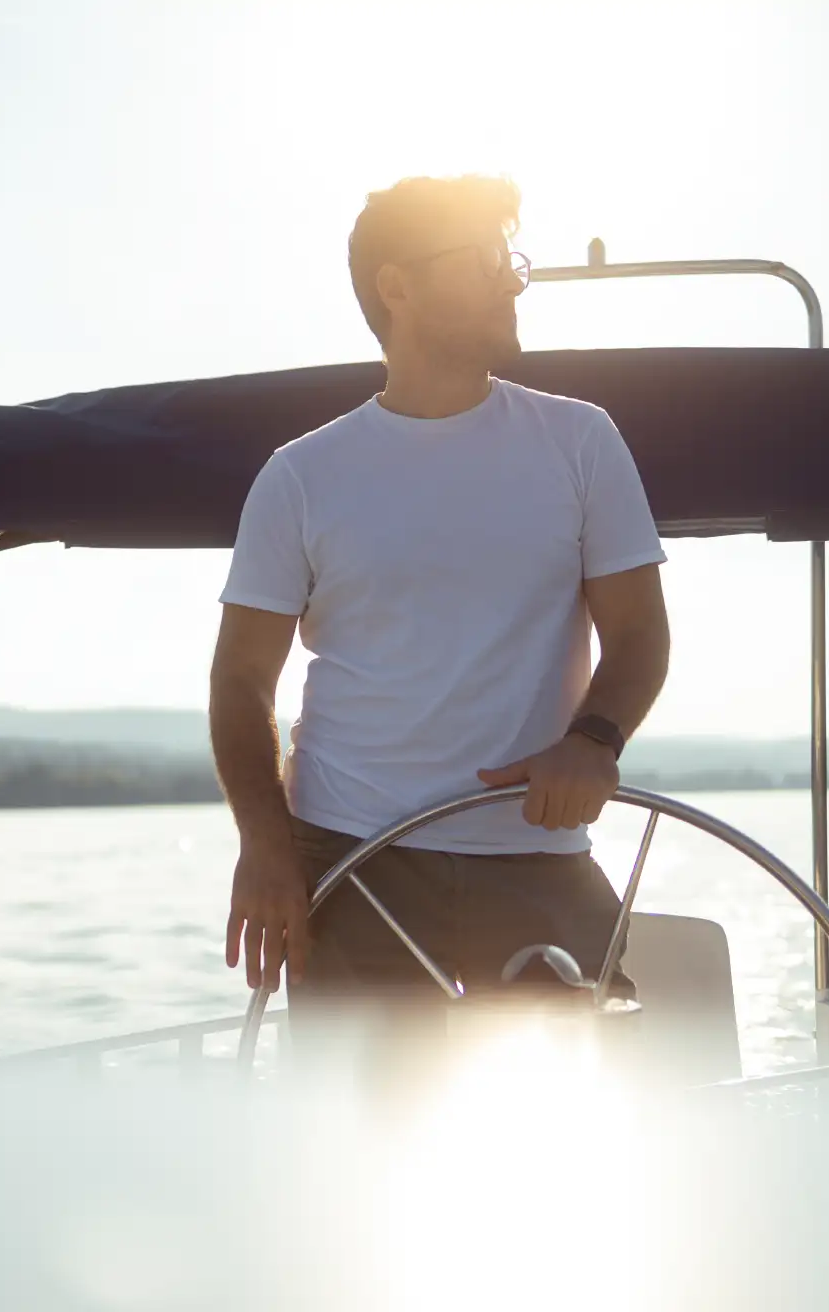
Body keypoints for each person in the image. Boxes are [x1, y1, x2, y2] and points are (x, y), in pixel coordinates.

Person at [208, 174, 671, 1070]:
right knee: (359, 1155)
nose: (514, 281)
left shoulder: (580, 442)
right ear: (398, 285)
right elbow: (239, 681)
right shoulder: (301, 477)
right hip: (352, 868)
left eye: (514, 260)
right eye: (490, 259)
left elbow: (641, 632)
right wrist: (263, 846)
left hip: (539, 855)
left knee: (590, 1139)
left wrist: (596, 740)